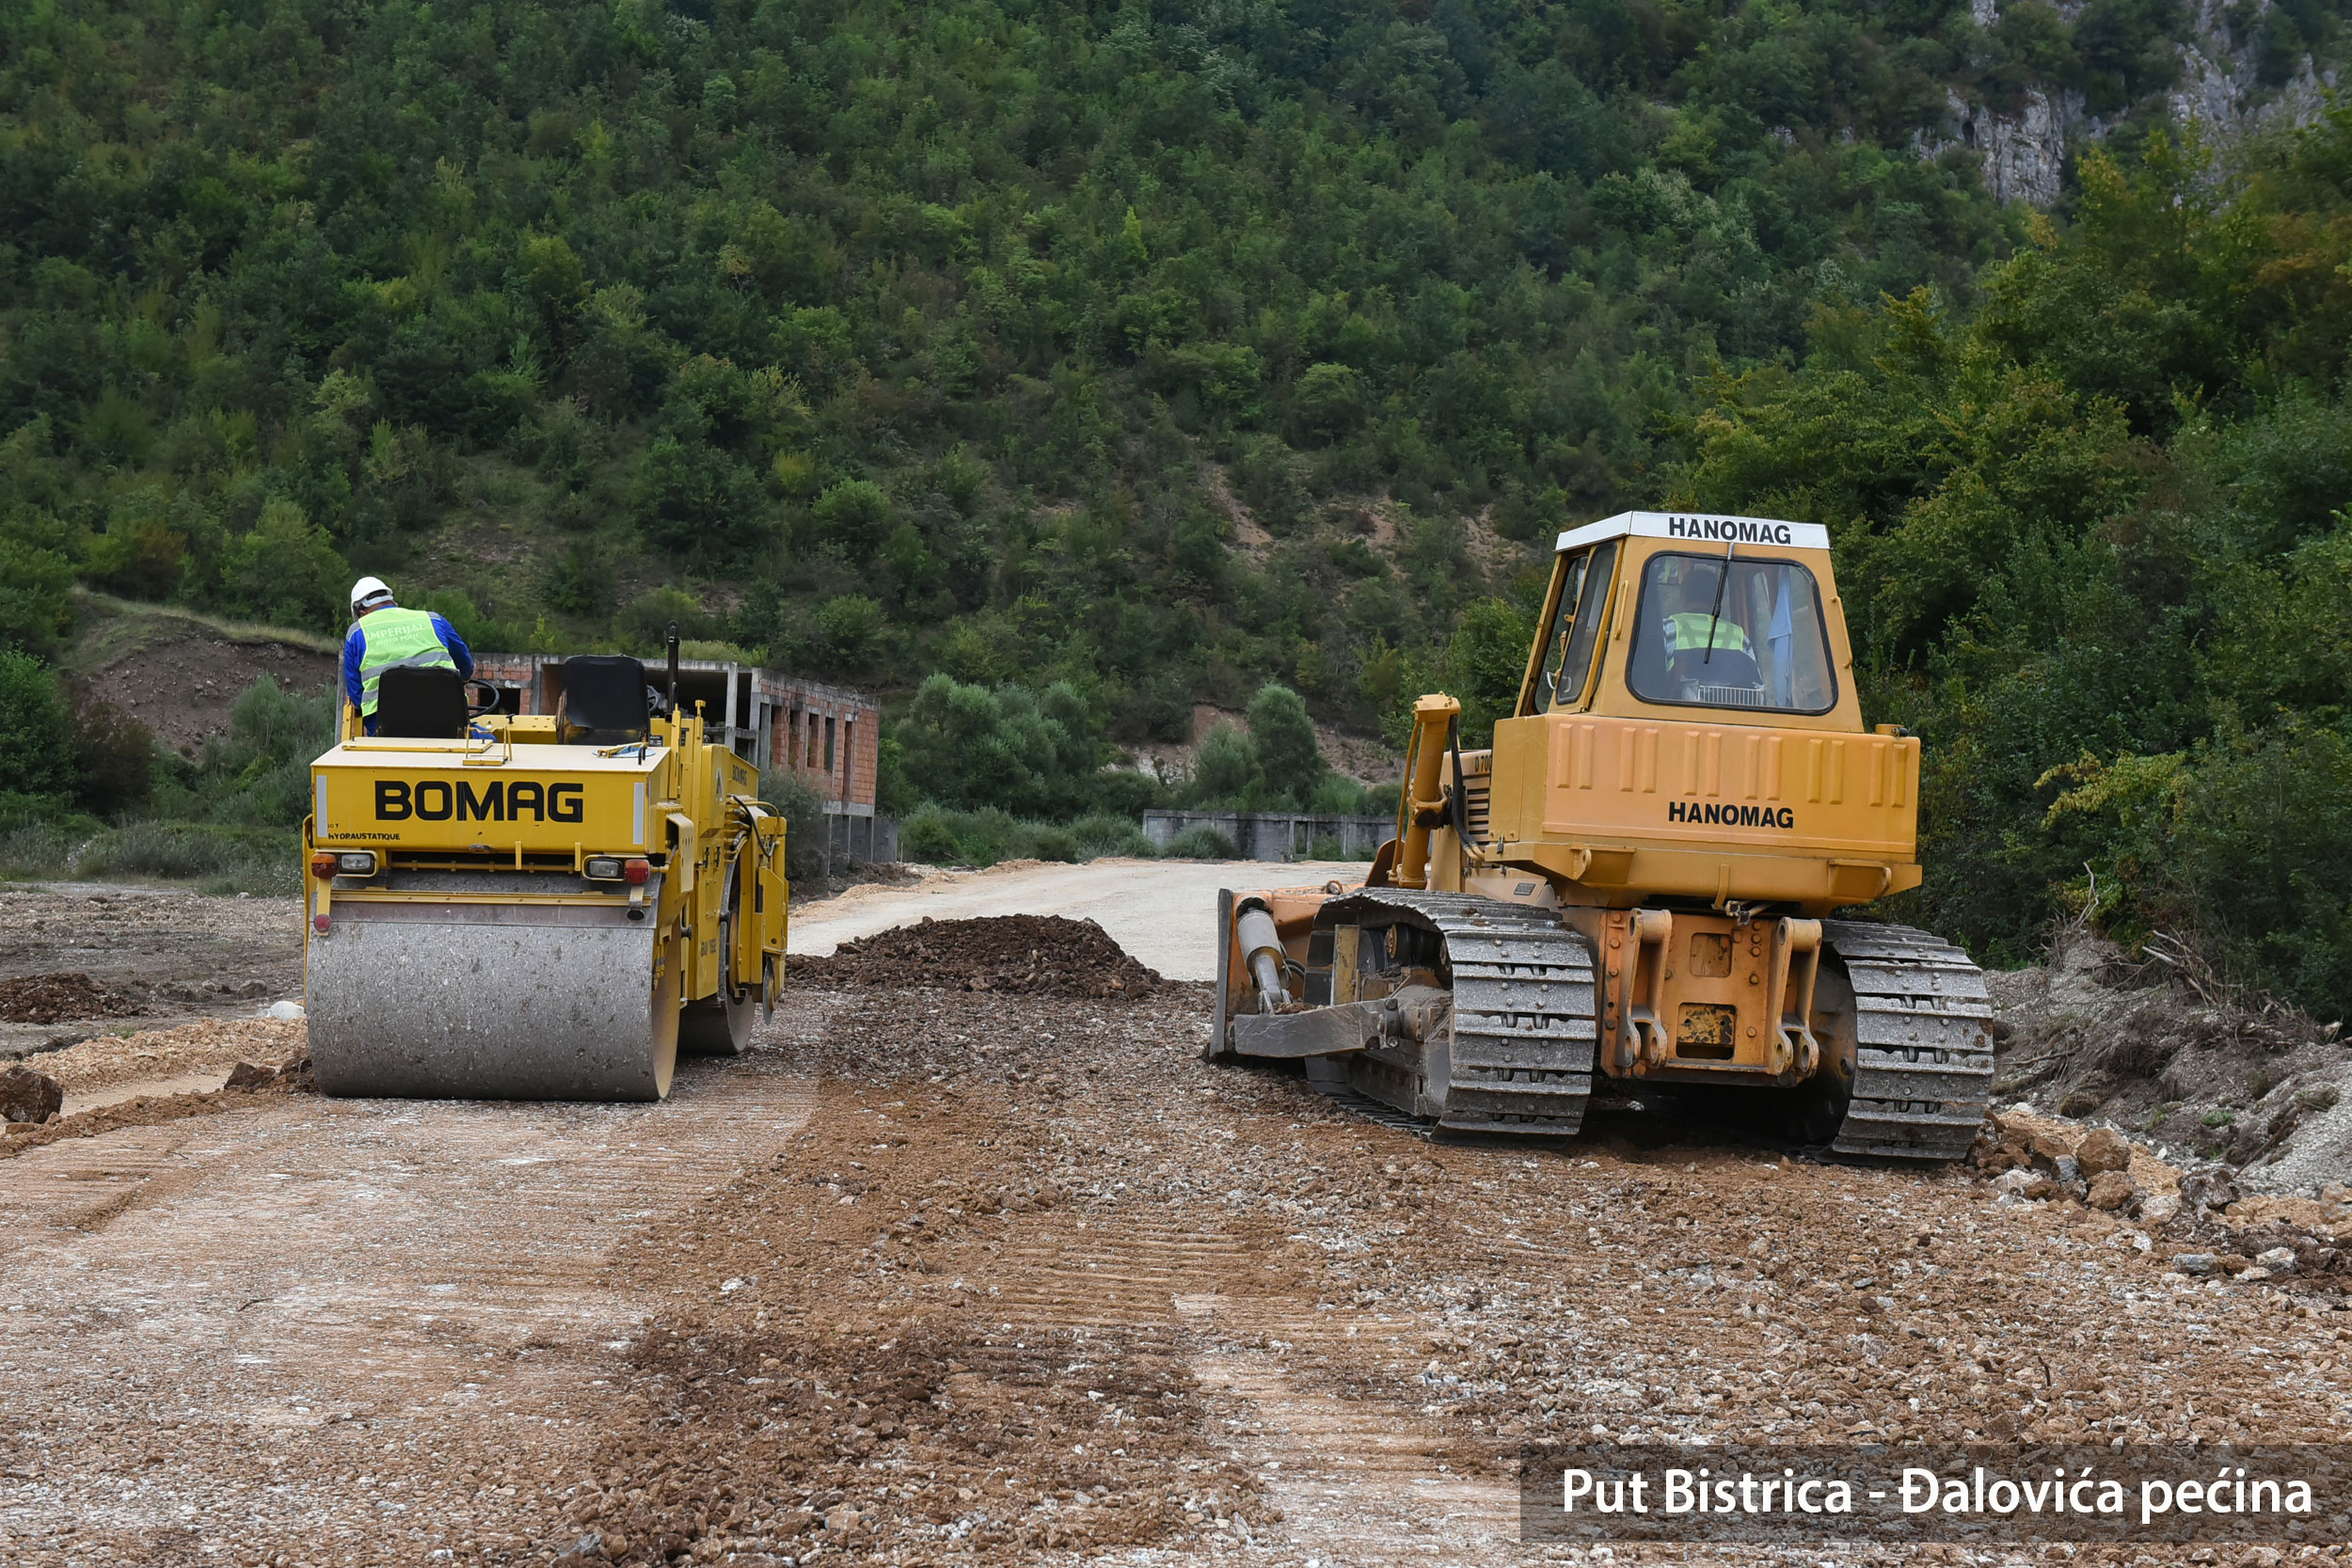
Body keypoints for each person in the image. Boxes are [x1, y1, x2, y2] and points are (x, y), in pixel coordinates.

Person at [342, 577, 474, 733]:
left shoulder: (356, 632)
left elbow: (357, 696)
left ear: (363, 614)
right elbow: (466, 667)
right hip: (449, 723)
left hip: (387, 730)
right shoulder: (434, 619)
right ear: (393, 603)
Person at [1659, 560, 1759, 689]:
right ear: (1716, 600)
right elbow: (1757, 688)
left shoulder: (1667, 629)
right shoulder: (1739, 636)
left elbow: (1651, 680)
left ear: (1683, 597)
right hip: (1730, 709)